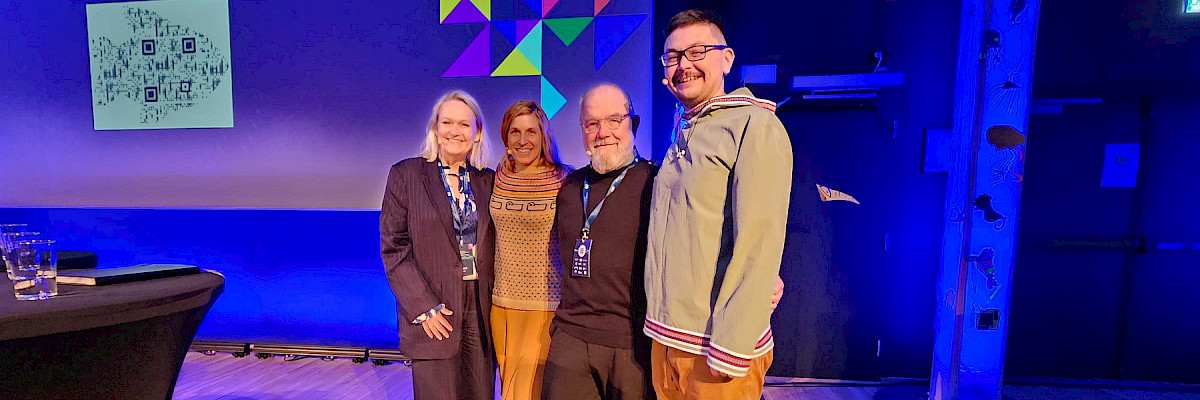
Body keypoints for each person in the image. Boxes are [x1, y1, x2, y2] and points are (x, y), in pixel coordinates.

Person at [643, 9, 794, 400]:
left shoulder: (754, 126)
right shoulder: (688, 128)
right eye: (673, 57)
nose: (683, 66)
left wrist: (731, 348)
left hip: (715, 349)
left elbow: (758, 244)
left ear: (726, 59)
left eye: (696, 52)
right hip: (670, 339)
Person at [541, 83, 656, 400]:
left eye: (614, 120)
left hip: (632, 344)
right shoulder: (570, 186)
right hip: (571, 338)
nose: (602, 132)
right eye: (591, 123)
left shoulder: (656, 183)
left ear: (632, 124)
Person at [380, 90, 497, 400]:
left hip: (481, 311)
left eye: (463, 124)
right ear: (434, 128)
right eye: (447, 122)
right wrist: (424, 308)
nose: (454, 131)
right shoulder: (406, 175)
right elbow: (395, 249)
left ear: (477, 133)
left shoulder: (489, 180)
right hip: (435, 311)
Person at [489, 101, 572, 400]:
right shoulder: (496, 178)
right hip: (501, 306)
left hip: (545, 306)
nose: (523, 140)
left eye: (531, 132)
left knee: (530, 393)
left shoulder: (565, 181)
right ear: (506, 137)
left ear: (544, 136)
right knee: (510, 389)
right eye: (515, 132)